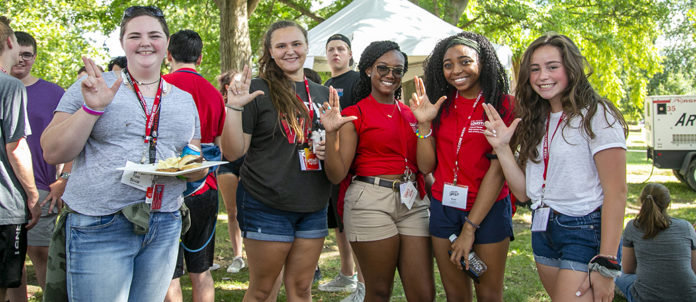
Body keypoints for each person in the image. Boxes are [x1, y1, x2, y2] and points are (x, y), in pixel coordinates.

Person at [40, 6, 207, 301]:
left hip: (164, 221)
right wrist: (93, 108)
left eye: (154, 35)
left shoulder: (184, 100)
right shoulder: (91, 86)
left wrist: (198, 168)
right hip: (100, 222)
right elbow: (52, 151)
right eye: (135, 36)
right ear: (123, 43)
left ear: (166, 44)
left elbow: (192, 156)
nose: (145, 42)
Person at [482, 33, 627, 301]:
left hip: (584, 229)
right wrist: (502, 149)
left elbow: (617, 193)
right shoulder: (538, 119)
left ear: (571, 69)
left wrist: (606, 263)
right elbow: (525, 193)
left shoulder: (597, 115)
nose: (541, 76)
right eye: (534, 69)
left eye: (552, 66)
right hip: (543, 228)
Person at [219, 20, 331, 302]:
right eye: (281, 46)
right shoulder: (256, 89)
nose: (289, 51)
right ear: (270, 51)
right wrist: (232, 107)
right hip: (266, 204)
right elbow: (233, 152)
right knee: (263, 290)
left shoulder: (321, 94)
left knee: (302, 289)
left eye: (296, 44)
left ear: (306, 46)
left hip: (313, 206)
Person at [320, 40, 435, 302]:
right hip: (370, 201)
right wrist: (331, 133)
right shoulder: (354, 115)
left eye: (397, 70)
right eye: (383, 68)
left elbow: (426, 166)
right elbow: (337, 175)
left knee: (424, 294)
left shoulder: (412, 115)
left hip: (412, 202)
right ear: (369, 70)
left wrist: (425, 124)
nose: (390, 75)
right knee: (380, 291)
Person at [409, 32, 514, 302]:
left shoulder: (503, 105)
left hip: (487, 208)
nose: (456, 70)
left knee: (489, 294)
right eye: (448, 64)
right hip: (445, 209)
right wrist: (423, 125)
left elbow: (499, 171)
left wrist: (470, 228)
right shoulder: (440, 107)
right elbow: (426, 166)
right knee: (455, 294)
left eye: (465, 61)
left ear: (483, 63)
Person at [7, 31, 71, 301]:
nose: (21, 60)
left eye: (28, 54)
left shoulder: (54, 92)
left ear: (35, 57)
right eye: (17, 53)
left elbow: (74, 140)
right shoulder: (3, 88)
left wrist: (64, 179)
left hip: (43, 187)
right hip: (6, 188)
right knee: (12, 265)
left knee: (43, 256)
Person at [163, 29, 225, 302]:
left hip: (165, 187)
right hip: (204, 188)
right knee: (201, 270)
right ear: (200, 58)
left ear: (168, 55)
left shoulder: (159, 85)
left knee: (168, 273)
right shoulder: (214, 93)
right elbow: (222, 143)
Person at [318, 33, 364, 301]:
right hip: (331, 161)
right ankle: (347, 274)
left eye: (341, 49)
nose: (336, 53)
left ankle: (362, 286)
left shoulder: (358, 81)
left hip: (355, 162)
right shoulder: (326, 85)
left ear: (349, 54)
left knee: (353, 222)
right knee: (338, 222)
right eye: (331, 49)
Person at [0, 15, 41, 301]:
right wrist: (33, 194)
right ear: (9, 41)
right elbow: (15, 147)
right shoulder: (9, 86)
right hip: (4, 207)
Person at [614, 183, 696, 302]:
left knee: (617, 273)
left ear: (642, 201)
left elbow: (628, 269)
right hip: (689, 296)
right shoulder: (686, 227)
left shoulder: (633, 227)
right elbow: (694, 268)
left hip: (646, 297)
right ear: (668, 203)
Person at [215, 70, 247, 274]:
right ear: (227, 87)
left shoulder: (252, 104)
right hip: (226, 162)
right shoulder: (220, 106)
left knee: (249, 209)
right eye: (237, 82)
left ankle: (254, 253)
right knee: (232, 212)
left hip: (249, 162)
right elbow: (217, 135)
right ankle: (237, 256)